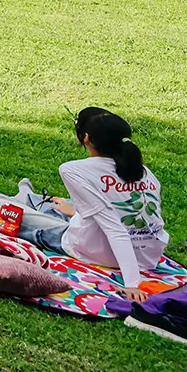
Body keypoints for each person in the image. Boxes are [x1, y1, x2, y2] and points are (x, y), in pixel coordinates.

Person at [53, 108, 171, 303]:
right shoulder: (143, 171)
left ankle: (25, 196)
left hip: (99, 252)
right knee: (65, 205)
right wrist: (74, 212)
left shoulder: (72, 170)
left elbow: (115, 228)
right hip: (147, 256)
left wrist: (132, 283)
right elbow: (116, 211)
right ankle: (36, 198)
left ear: (86, 138)